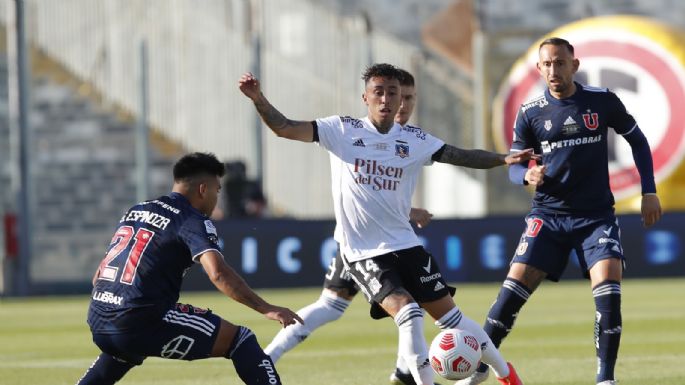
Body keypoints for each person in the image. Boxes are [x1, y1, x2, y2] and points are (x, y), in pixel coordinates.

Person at [239, 63, 535, 385]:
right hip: (362, 251)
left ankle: (507, 376)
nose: (386, 99)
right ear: (365, 97)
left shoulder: (414, 139)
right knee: (407, 313)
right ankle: (414, 378)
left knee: (453, 318)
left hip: (406, 245)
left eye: (392, 93)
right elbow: (284, 127)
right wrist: (258, 98)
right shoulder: (340, 130)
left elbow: (460, 155)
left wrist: (502, 158)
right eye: (378, 92)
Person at [458, 37, 662, 385]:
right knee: (511, 293)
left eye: (560, 63)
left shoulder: (601, 101)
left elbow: (638, 139)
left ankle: (605, 379)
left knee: (609, 282)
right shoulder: (530, 112)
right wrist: (527, 175)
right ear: (540, 69)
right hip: (548, 216)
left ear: (574, 65)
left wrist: (649, 191)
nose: (553, 70)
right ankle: (478, 371)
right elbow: (512, 166)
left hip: (595, 216)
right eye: (547, 64)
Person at [262, 69, 437, 385]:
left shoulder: (408, 140)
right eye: (399, 96)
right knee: (389, 304)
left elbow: (379, 193)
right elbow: (359, 186)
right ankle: (267, 359)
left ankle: (404, 371)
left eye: (409, 98)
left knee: (336, 306)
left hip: (383, 241)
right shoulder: (357, 133)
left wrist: (407, 210)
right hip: (361, 243)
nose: (402, 106)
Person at [76, 152, 303, 385]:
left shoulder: (137, 210)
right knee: (240, 339)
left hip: (98, 318)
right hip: (138, 320)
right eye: (217, 190)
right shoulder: (191, 220)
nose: (217, 198)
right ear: (203, 189)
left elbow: (98, 277)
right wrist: (266, 308)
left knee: (124, 352)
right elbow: (218, 273)